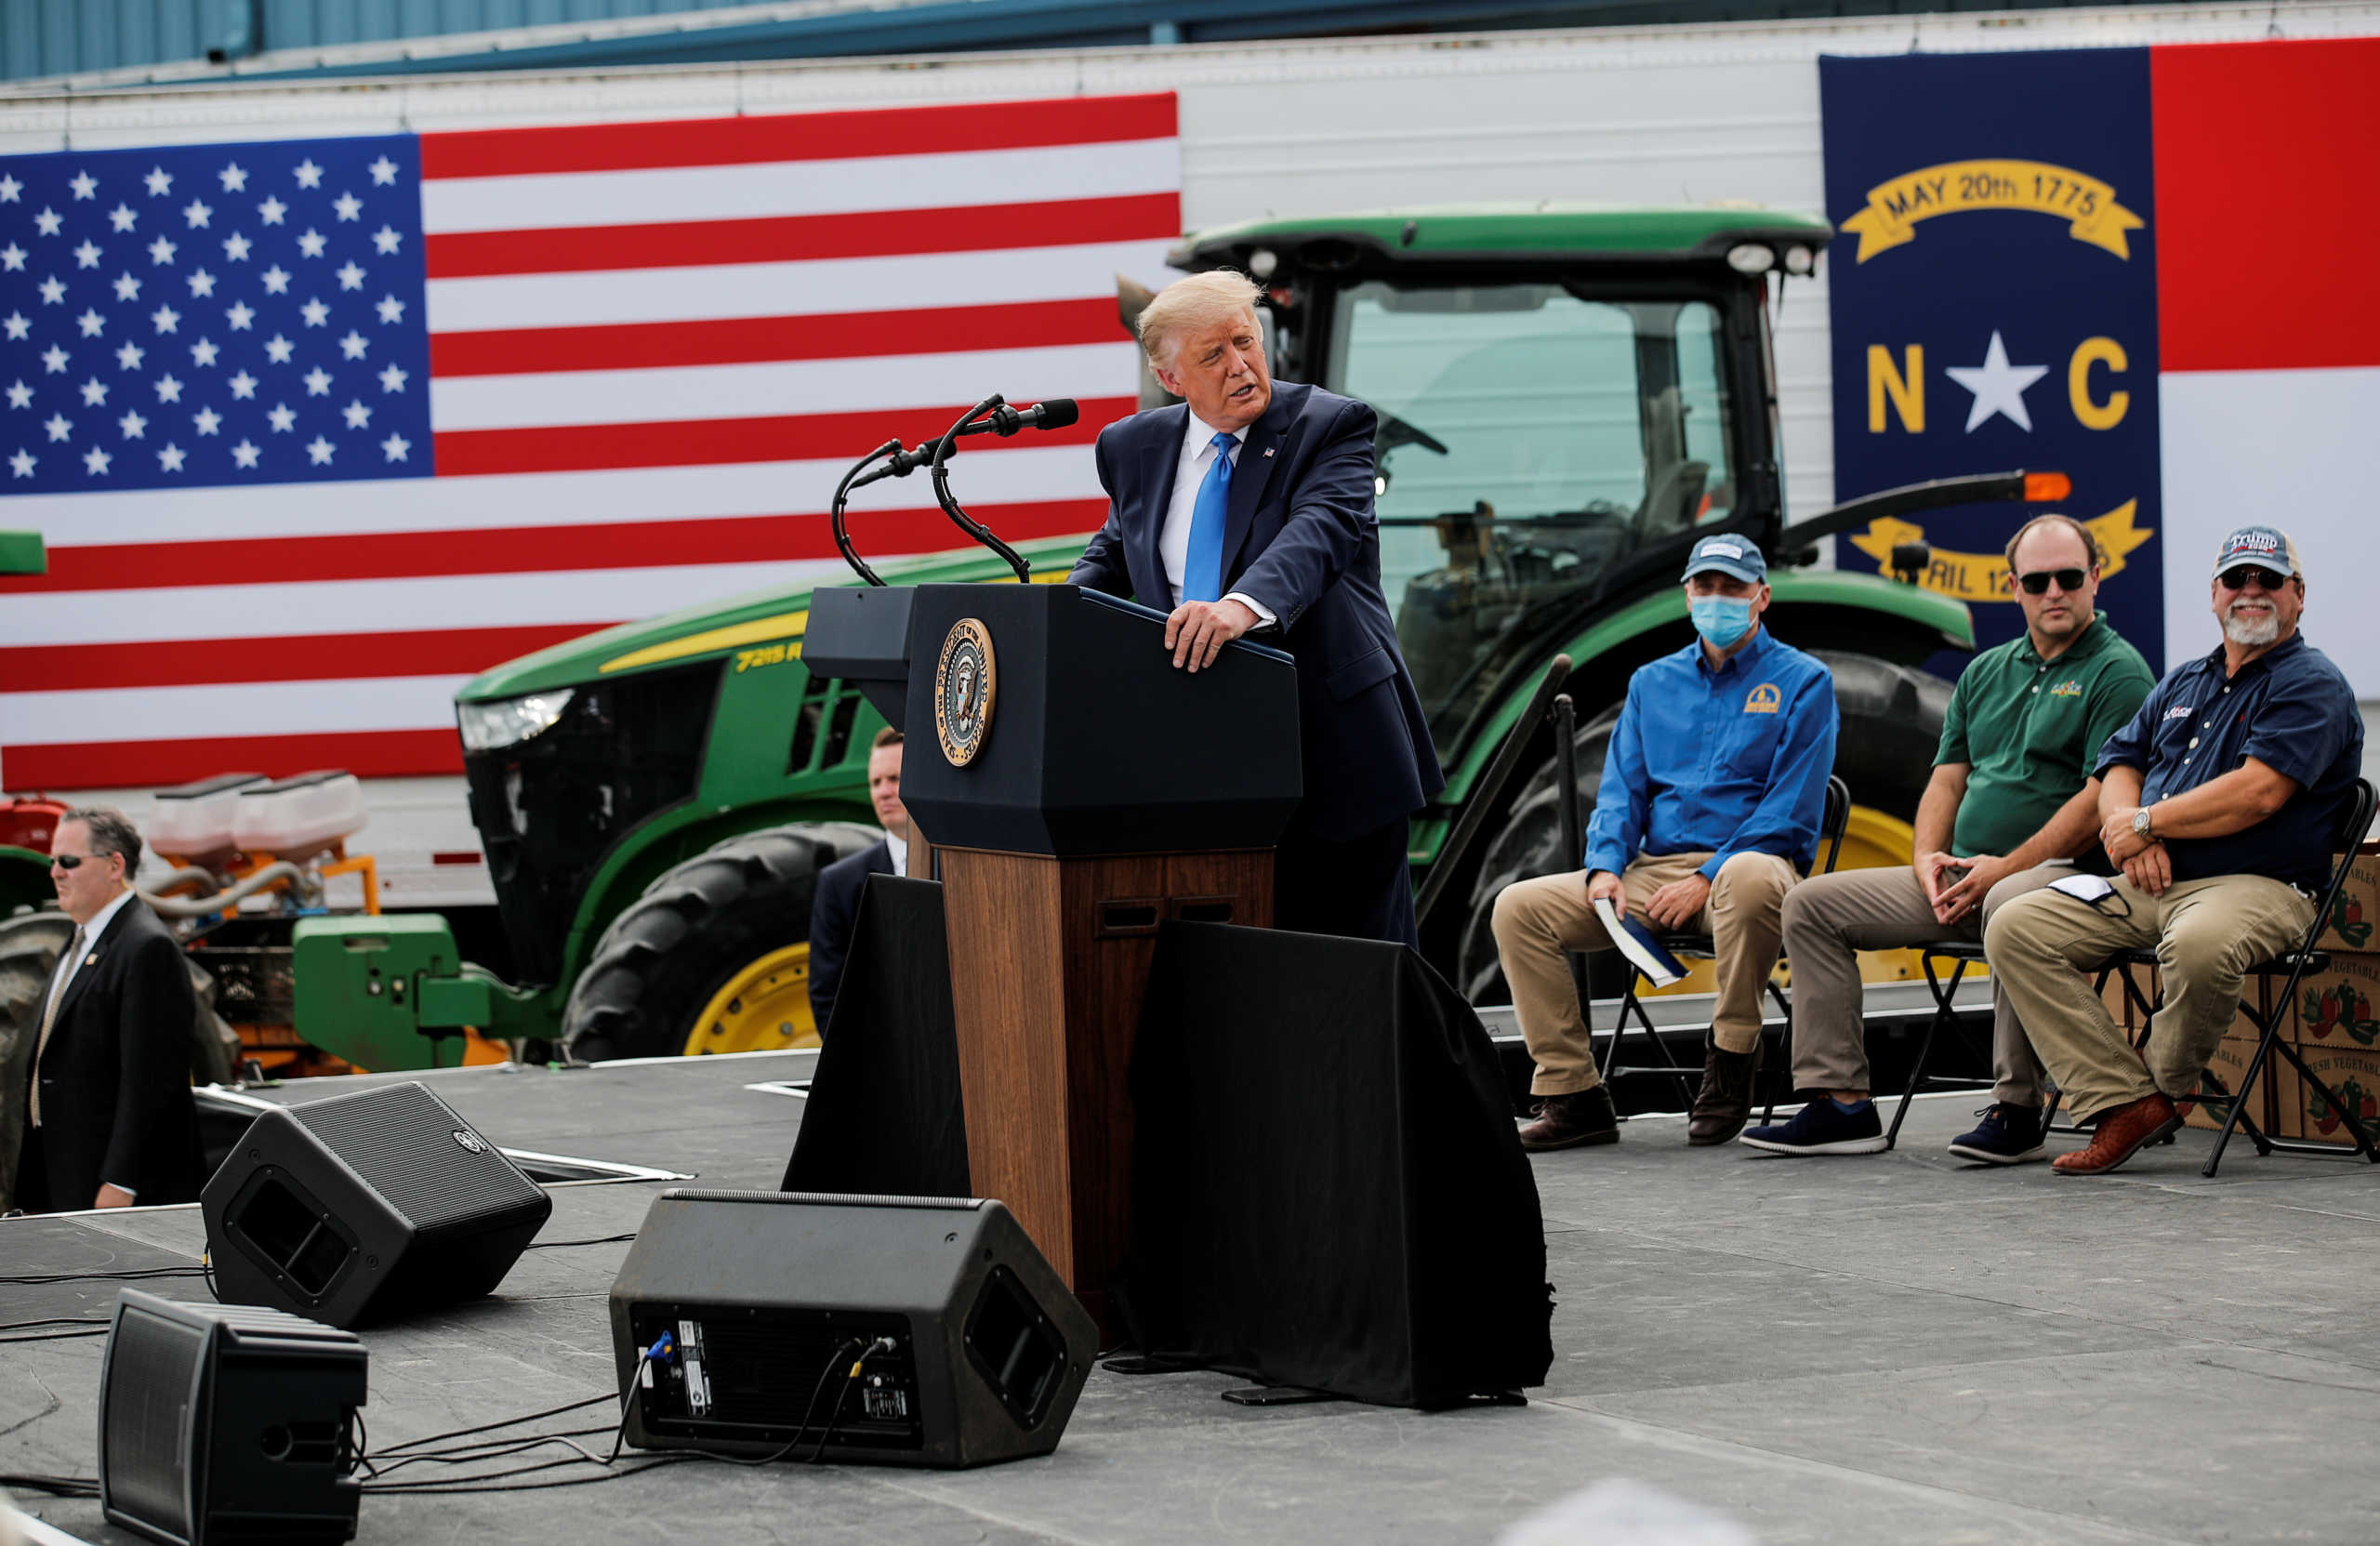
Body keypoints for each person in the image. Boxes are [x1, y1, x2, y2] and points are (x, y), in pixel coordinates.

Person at [1743, 514, 2155, 1161]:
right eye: (2037, 579)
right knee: (1811, 904)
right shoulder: (1985, 672)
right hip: (1965, 878)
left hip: (2068, 876)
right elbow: (1945, 782)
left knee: (2013, 906)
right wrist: (1926, 858)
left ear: (2095, 580)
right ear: (2012, 585)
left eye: (2069, 577)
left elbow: (2096, 800)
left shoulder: (2119, 672)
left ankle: (2016, 1107)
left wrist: (2001, 868)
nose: (2054, 591)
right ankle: (1840, 1102)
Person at [1066, 270, 1442, 946]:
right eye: (1213, 355)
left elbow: (1319, 532)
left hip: (1331, 762)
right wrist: (1051, 622)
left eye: (1246, 341)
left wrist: (1240, 607)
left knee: (1351, 989)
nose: (1241, 365)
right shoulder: (1133, 447)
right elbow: (1120, 545)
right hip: (1201, 774)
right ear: (1171, 376)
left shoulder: (1329, 426)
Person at [1984, 525, 2363, 1174]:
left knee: (2200, 944)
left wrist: (2150, 824)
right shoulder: (2184, 681)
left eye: (2268, 580)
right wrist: (2129, 836)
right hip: (2152, 881)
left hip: (2260, 885)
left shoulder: (2312, 681)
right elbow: (2116, 769)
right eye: (2236, 579)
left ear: (2298, 595)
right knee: (2017, 925)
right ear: (2214, 596)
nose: (2251, 591)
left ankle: (2154, 1092)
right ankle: (2122, 1100)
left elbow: (2256, 794)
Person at [1491, 534, 1837, 1150]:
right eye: (1704, 587)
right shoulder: (1653, 682)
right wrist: (1604, 866)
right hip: (1656, 869)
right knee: (1518, 907)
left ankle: (1732, 1057)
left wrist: (1707, 876)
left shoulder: (1804, 681)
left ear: (1762, 597)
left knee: (1751, 875)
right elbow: (1621, 787)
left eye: (1731, 588)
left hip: (1753, 865)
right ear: (1686, 595)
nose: (1716, 599)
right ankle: (1573, 1094)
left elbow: (1792, 808)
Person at [10, 807, 204, 1213]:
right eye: (52, 861)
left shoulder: (146, 947)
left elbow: (152, 1080)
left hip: (107, 1187)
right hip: (63, 1172)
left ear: (115, 866)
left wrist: (121, 1180)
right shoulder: (83, 939)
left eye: (68, 861)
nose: (55, 873)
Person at [807, 728, 910, 1032]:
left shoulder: (962, 868)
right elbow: (828, 994)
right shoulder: (839, 883)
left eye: (895, 779)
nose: (883, 791)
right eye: (876, 782)